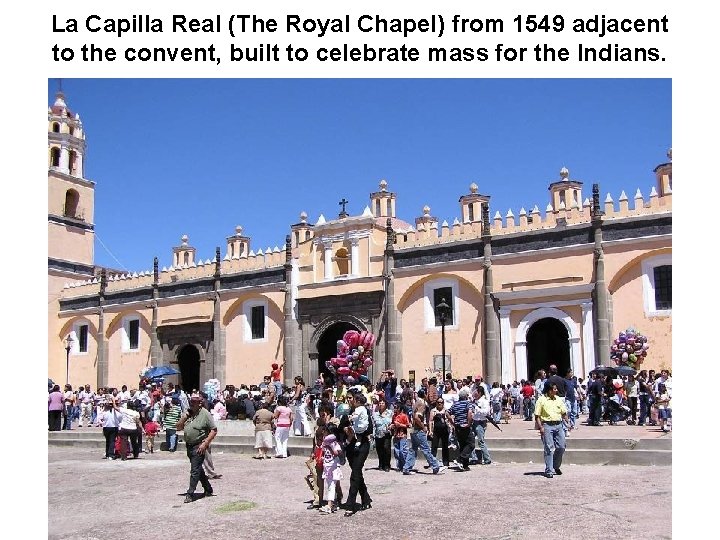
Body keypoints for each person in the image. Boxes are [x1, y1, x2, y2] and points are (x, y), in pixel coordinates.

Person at [177, 394, 217, 503]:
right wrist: (184, 417)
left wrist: (205, 443)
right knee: (198, 469)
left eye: (194, 402)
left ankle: (190, 493)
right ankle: (208, 489)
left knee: (194, 470)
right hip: (189, 446)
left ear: (200, 403)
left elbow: (213, 429)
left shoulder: (205, 414)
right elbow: (178, 427)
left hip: (199, 445)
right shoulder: (189, 414)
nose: (191, 403)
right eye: (191, 401)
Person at [342, 392, 372, 516]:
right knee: (357, 473)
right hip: (350, 446)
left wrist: (356, 432)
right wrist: (345, 429)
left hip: (362, 445)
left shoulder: (364, 412)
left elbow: (369, 429)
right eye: (347, 398)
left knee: (355, 474)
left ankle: (350, 504)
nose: (349, 400)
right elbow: (340, 426)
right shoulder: (346, 412)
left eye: (351, 398)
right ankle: (366, 498)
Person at [404, 396, 446, 475]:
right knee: (426, 449)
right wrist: (423, 427)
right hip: (419, 430)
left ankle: (407, 468)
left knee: (413, 450)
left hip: (414, 430)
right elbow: (417, 417)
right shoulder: (422, 404)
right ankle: (435, 467)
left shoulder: (415, 404)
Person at [535, 383, 570, 478]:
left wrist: (568, 422)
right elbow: (537, 415)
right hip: (547, 425)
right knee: (549, 448)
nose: (556, 391)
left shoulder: (558, 399)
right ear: (549, 390)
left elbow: (564, 413)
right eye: (554, 389)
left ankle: (556, 465)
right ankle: (549, 470)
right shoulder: (541, 400)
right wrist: (540, 427)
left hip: (558, 425)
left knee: (561, 446)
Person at [448, 388, 475, 471]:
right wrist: (469, 423)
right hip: (465, 427)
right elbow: (470, 413)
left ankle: (464, 465)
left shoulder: (455, 405)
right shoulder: (468, 403)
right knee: (471, 444)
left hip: (458, 427)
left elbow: (447, 413)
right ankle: (460, 458)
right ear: (466, 396)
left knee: (463, 445)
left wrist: (452, 423)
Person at [319, 429, 344, 514]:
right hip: (327, 466)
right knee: (333, 485)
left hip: (333, 466)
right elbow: (323, 453)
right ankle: (334, 503)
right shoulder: (324, 444)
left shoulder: (335, 444)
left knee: (331, 486)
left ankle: (329, 506)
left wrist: (330, 447)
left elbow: (337, 453)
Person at [471, 385, 492, 465]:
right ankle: (473, 458)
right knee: (471, 440)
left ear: (479, 393)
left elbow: (486, 412)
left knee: (481, 441)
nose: (474, 393)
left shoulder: (484, 402)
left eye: (476, 392)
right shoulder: (474, 401)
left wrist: (477, 409)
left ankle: (487, 459)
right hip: (474, 422)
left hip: (481, 423)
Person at [429, 396, 452, 467]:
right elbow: (430, 421)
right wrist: (430, 430)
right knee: (434, 446)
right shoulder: (433, 411)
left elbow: (450, 419)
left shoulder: (445, 410)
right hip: (436, 430)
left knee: (445, 446)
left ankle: (446, 462)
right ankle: (432, 462)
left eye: (441, 402)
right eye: (438, 402)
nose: (439, 404)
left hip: (444, 430)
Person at [372, 399, 393, 472]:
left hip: (386, 433)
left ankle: (387, 465)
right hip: (378, 434)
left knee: (386, 448)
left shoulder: (390, 413)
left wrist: (392, 426)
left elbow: (393, 421)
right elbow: (374, 425)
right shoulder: (375, 414)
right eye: (380, 403)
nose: (381, 404)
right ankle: (381, 463)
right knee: (379, 449)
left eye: (382, 403)